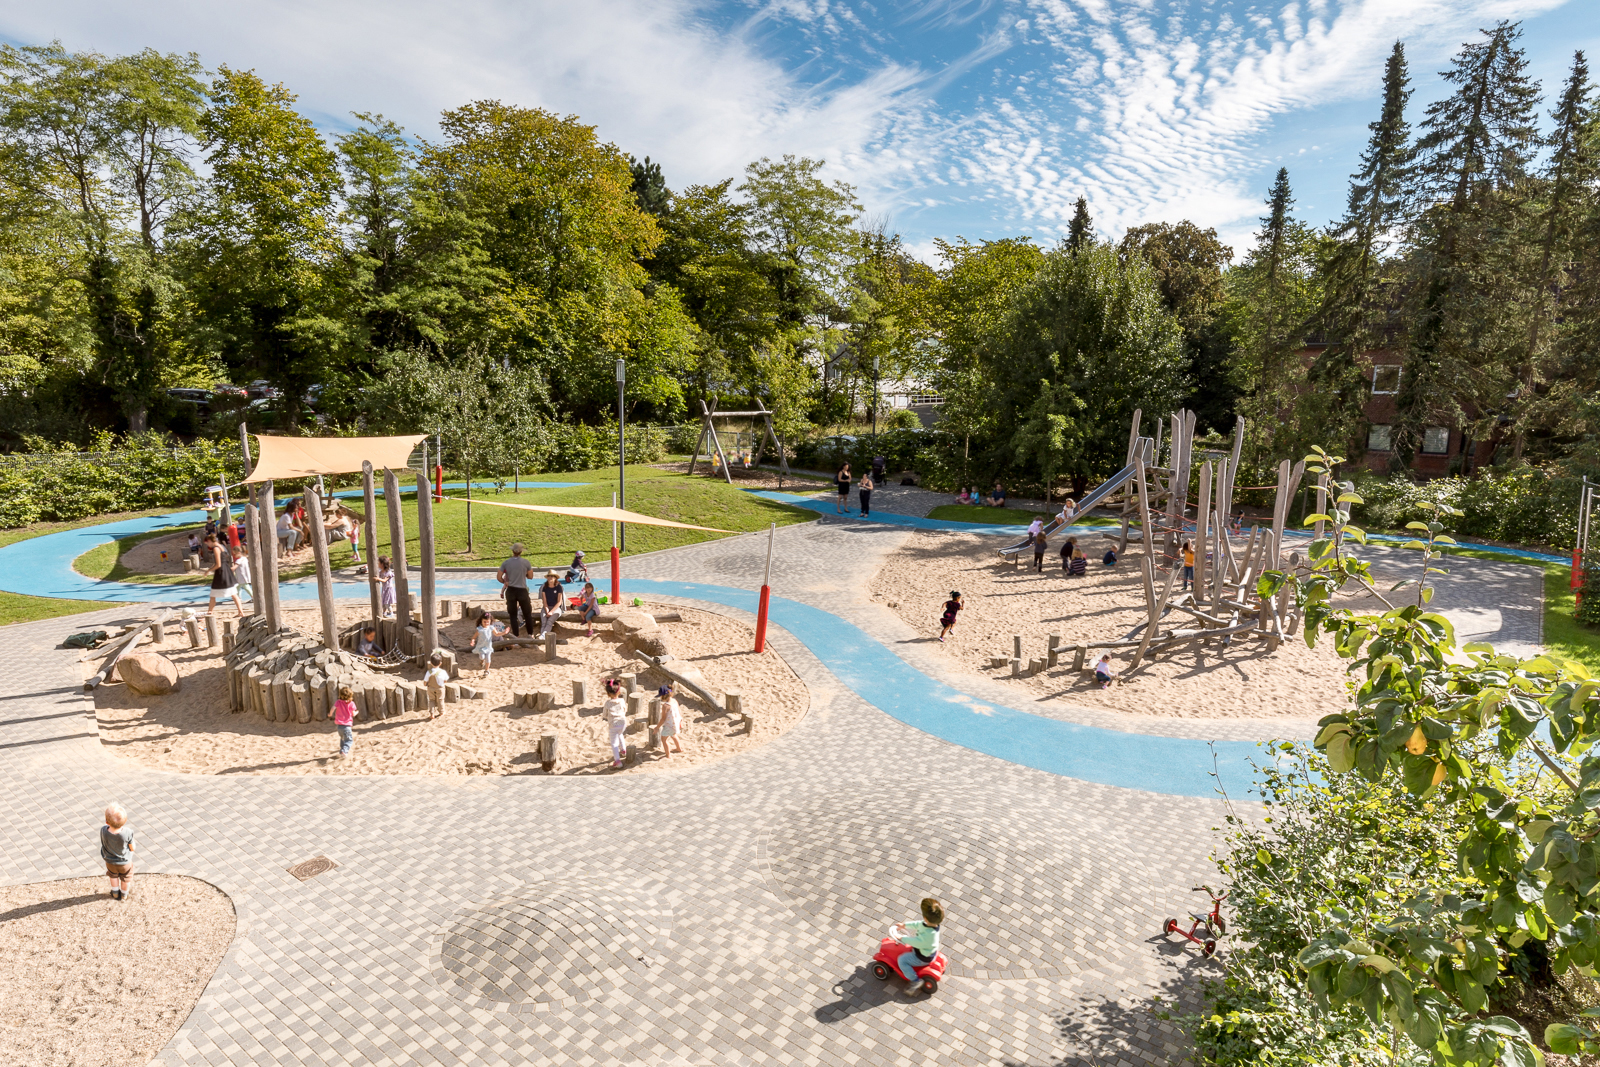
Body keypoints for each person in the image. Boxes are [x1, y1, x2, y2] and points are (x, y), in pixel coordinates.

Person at [892, 897, 944, 994]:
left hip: (922, 957)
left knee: (902, 960)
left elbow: (917, 942)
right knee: (909, 947)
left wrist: (901, 938)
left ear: (925, 918)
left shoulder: (929, 935)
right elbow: (918, 924)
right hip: (926, 949)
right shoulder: (930, 924)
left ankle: (915, 981)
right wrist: (904, 925)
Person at [203, 532, 245, 618]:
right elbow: (220, 562)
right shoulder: (220, 546)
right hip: (226, 570)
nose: (208, 545)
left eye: (207, 543)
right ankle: (241, 612)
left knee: (213, 594)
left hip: (221, 573)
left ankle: (210, 612)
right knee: (233, 593)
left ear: (210, 541)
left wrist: (208, 571)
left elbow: (218, 564)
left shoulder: (216, 548)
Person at [497, 543, 535, 637]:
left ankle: (516, 635)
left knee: (513, 615)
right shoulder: (526, 562)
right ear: (521, 551)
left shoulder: (506, 562)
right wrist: (523, 574)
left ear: (512, 551)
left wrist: (505, 583)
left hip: (511, 589)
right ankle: (530, 634)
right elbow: (530, 576)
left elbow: (499, 577)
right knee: (527, 614)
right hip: (521, 589)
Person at [100, 802, 135, 901]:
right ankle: (124, 894)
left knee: (113, 875)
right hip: (125, 862)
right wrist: (131, 850)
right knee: (125, 878)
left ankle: (115, 892)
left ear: (107, 822)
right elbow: (132, 847)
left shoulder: (103, 830)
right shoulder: (127, 832)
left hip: (110, 861)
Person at [603, 678, 628, 767]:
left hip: (613, 724)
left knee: (614, 743)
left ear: (608, 694)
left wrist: (605, 718)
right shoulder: (622, 701)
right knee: (620, 734)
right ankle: (623, 750)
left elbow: (605, 714)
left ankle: (617, 761)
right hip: (622, 723)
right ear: (619, 692)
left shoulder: (608, 703)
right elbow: (625, 709)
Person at [656, 684, 683, 757]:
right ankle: (679, 748)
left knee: (664, 740)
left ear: (663, 696)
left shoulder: (665, 706)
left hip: (669, 725)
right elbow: (679, 711)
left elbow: (663, 719)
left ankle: (668, 755)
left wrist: (657, 727)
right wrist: (681, 720)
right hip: (676, 723)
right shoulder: (674, 701)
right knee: (674, 735)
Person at [537, 571, 565, 638]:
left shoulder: (559, 587)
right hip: (546, 607)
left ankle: (543, 635)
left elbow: (559, 602)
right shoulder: (544, 587)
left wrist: (551, 612)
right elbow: (544, 602)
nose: (550, 578)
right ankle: (542, 636)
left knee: (549, 621)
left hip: (556, 608)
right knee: (544, 622)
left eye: (551, 576)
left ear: (555, 578)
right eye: (548, 576)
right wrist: (547, 611)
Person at [332, 685, 357, 758]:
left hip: (339, 726)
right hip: (347, 726)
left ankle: (341, 751)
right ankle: (344, 751)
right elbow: (353, 714)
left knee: (343, 738)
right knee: (349, 741)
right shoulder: (351, 703)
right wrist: (357, 712)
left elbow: (333, 708)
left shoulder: (338, 702)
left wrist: (330, 713)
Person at [423, 653, 448, 721]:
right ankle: (441, 712)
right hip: (440, 688)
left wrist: (425, 684)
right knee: (440, 700)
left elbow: (425, 681)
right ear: (440, 663)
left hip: (430, 688)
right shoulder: (443, 672)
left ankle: (432, 714)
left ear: (431, 663)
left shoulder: (429, 672)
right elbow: (445, 680)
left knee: (431, 700)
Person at [472, 612, 495, 676]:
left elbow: (497, 633)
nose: (486, 623)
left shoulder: (491, 628)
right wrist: (472, 641)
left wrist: (504, 632)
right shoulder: (479, 629)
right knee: (482, 657)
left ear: (490, 621)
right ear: (481, 621)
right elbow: (474, 637)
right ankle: (482, 661)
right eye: (484, 622)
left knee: (488, 658)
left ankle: (487, 670)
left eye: (488, 622)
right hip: (481, 647)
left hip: (488, 646)